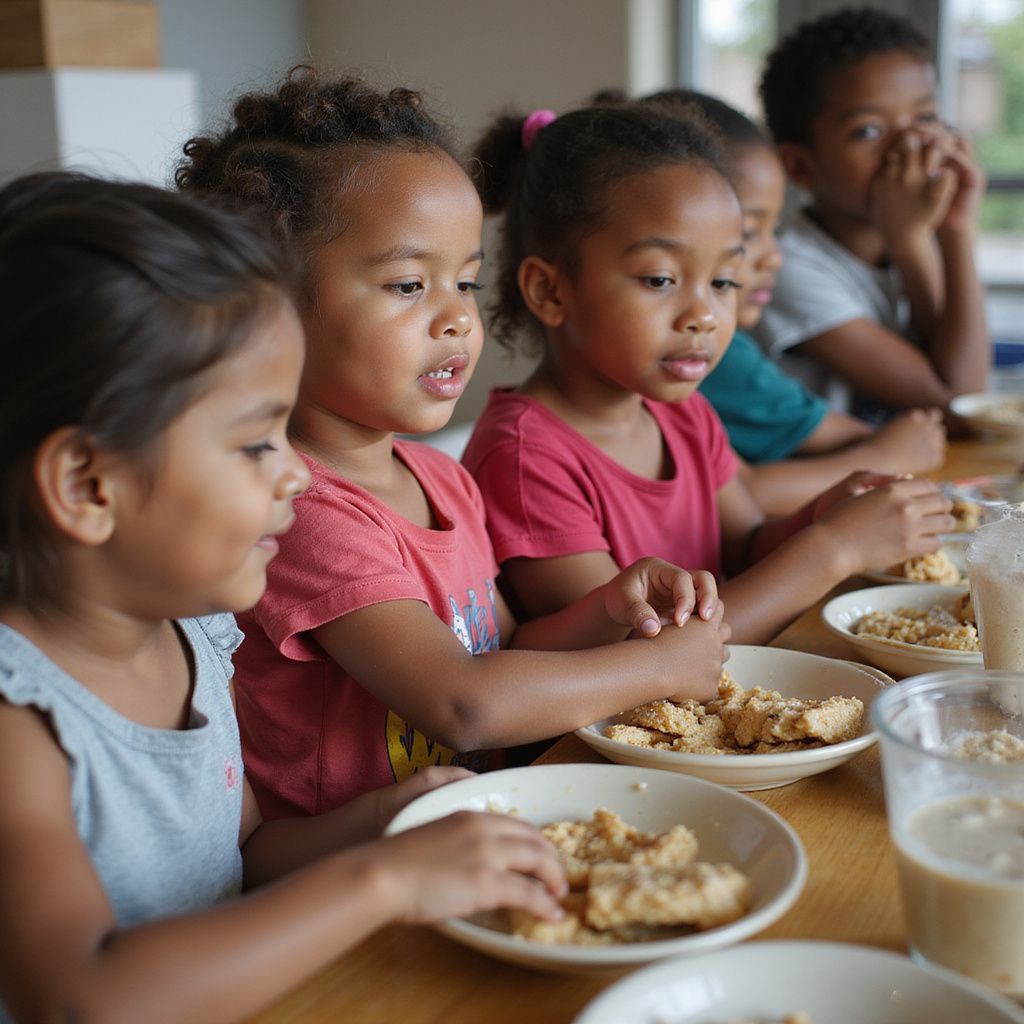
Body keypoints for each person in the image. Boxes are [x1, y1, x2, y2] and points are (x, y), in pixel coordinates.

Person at [0, 172, 570, 1024]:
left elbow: (250, 856)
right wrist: (383, 878)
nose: (299, 472)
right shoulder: (21, 720)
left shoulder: (194, 637)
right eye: (255, 442)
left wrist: (385, 821)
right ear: (88, 486)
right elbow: (86, 997)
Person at [176, 69, 730, 820]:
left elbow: (503, 651)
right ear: (270, 306)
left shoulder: (438, 478)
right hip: (353, 875)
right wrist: (655, 668)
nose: (455, 321)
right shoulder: (300, 511)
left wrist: (610, 607)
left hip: (469, 834)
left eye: (464, 284)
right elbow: (463, 704)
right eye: (409, 286)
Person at [461, 100, 954, 646]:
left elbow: (742, 548)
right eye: (659, 279)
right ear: (550, 291)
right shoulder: (526, 457)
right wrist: (835, 547)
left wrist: (827, 511)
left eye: (722, 282)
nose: (703, 316)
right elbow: (638, 657)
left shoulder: (683, 413)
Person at [643, 87, 947, 515]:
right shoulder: (700, 353)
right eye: (748, 233)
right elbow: (747, 498)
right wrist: (883, 458)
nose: (774, 255)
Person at [753, 6, 990, 417]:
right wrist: (928, 239)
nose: (909, 146)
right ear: (801, 167)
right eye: (868, 131)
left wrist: (953, 227)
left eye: (926, 117)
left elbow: (960, 375)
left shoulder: (916, 236)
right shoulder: (785, 268)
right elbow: (957, 400)